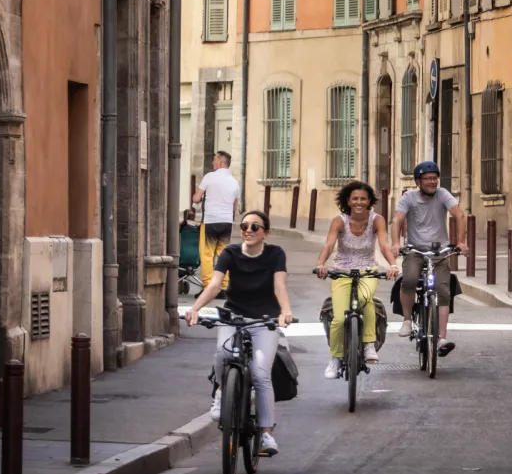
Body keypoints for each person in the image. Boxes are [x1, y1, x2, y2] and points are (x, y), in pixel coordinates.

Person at [185, 211, 293, 456]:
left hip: (265, 319)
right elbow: (214, 285)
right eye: (245, 225)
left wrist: (285, 311)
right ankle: (222, 392)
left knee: (260, 371)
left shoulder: (275, 254)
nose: (249, 230)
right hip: (233, 316)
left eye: (255, 226)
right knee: (223, 355)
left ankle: (266, 434)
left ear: (265, 231)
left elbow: (279, 286)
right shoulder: (230, 253)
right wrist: (194, 309)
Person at [314, 181, 399, 379]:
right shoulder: (339, 221)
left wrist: (393, 265)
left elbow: (385, 246)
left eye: (363, 198)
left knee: (364, 298)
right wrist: (321, 264)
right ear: (348, 201)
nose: (359, 202)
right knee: (339, 318)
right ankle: (335, 358)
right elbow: (329, 244)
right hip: (342, 271)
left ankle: (369, 345)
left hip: (368, 271)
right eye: (355, 199)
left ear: (370, 201)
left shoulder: (377, 220)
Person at [390, 161, 467, 357]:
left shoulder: (443, 194)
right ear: (418, 181)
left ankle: (441, 337)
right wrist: (395, 243)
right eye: (428, 179)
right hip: (415, 250)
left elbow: (458, 214)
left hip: (439, 251)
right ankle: (407, 320)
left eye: (434, 178)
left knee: (443, 290)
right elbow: (398, 219)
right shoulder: (409, 197)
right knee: (409, 279)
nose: (432, 182)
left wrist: (461, 242)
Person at [192, 151, 240, 297]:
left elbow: (196, 198)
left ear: (220, 161)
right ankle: (224, 287)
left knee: (206, 255)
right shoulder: (234, 182)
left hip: (211, 221)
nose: (212, 162)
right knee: (223, 254)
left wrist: (197, 198)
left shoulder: (209, 177)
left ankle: (208, 287)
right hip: (226, 222)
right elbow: (235, 206)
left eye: (214, 159)